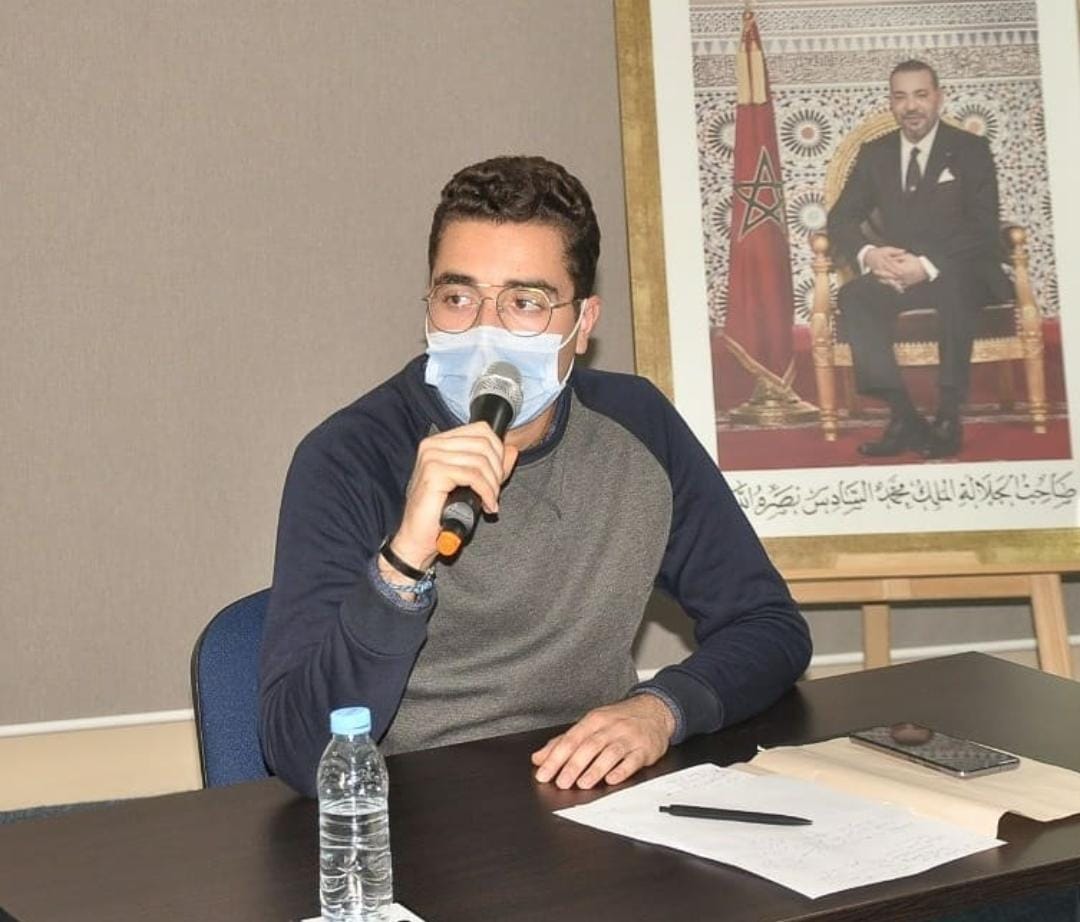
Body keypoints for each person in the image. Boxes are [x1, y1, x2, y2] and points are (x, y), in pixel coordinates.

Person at [258, 155, 811, 798]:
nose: (485, 331)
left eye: (525, 303)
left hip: (592, 796)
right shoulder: (348, 456)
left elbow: (767, 625)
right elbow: (300, 750)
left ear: (584, 323)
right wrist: (403, 564)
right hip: (415, 809)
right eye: (458, 298)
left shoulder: (638, 425)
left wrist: (660, 710)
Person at [827, 60, 1012, 459]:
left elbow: (982, 228)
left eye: (920, 95)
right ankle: (903, 415)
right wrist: (871, 255)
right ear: (891, 103)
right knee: (855, 296)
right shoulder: (875, 154)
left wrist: (926, 266)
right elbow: (840, 219)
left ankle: (948, 414)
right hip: (900, 273)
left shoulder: (970, 150)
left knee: (954, 289)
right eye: (901, 97)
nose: (911, 106)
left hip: (962, 269)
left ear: (938, 98)